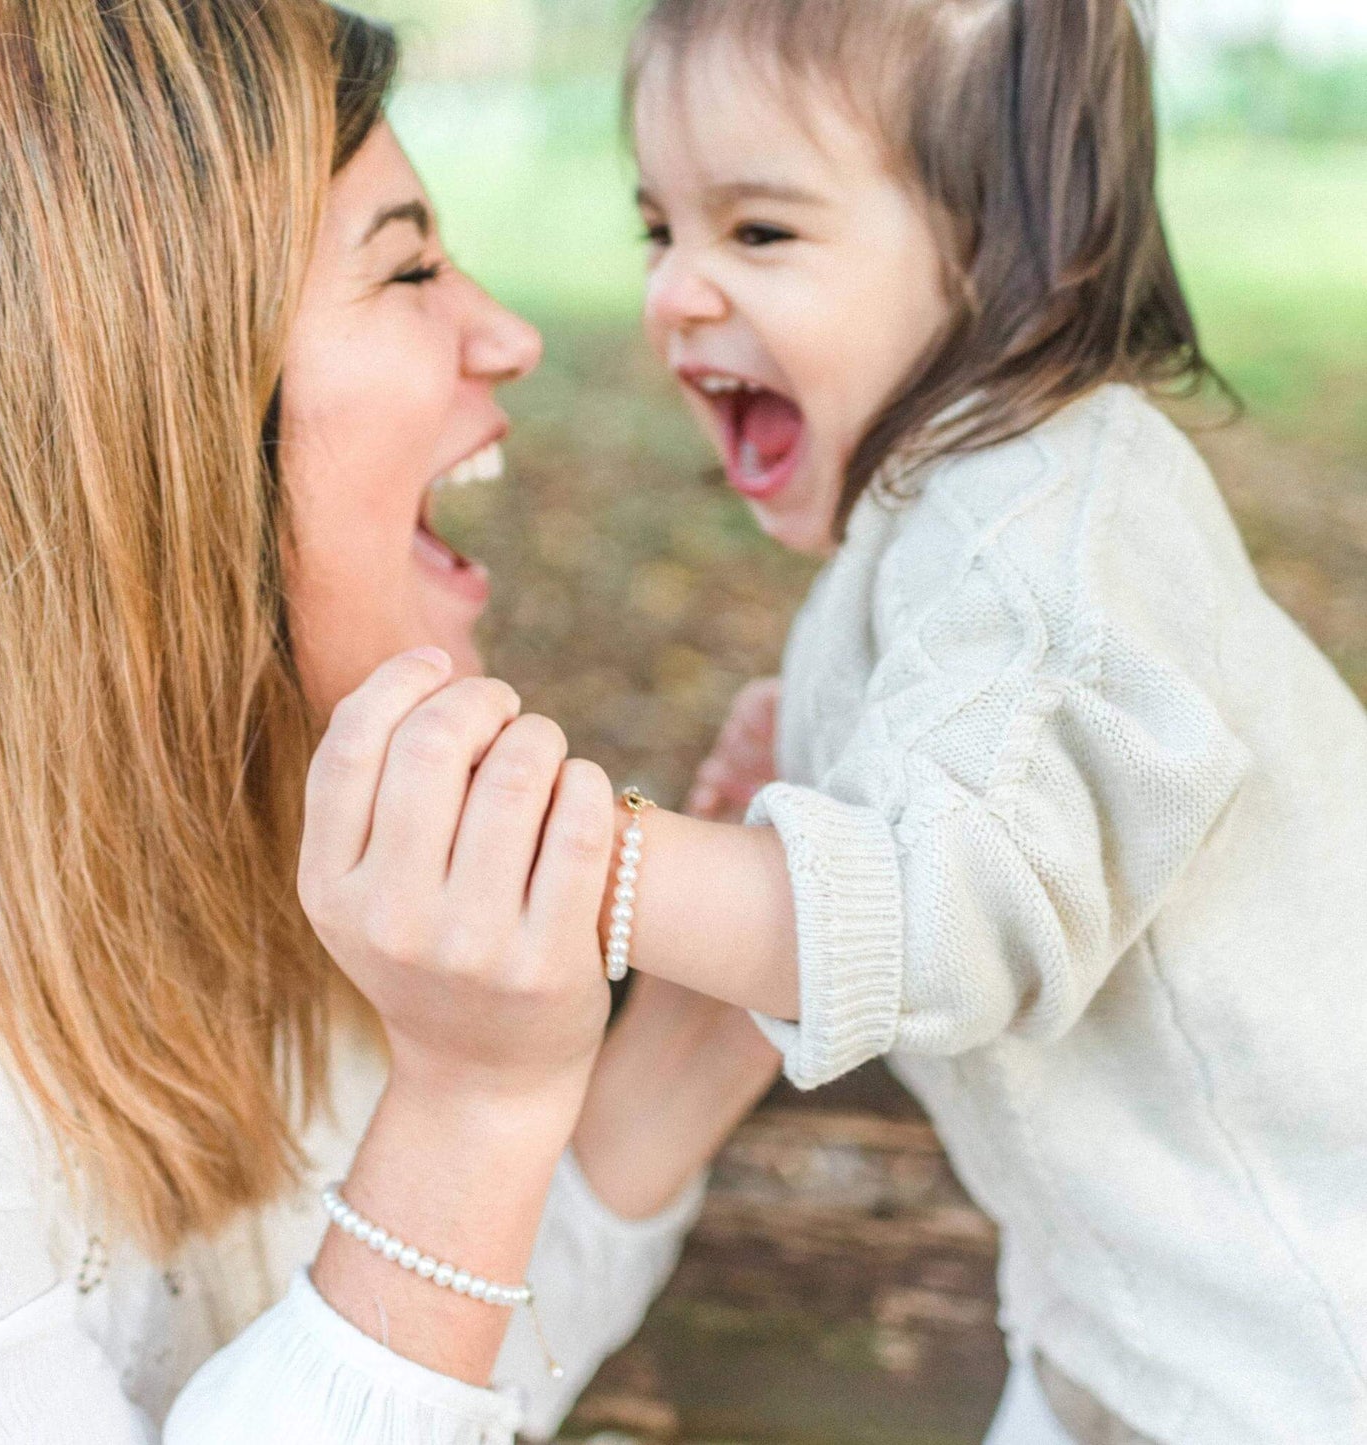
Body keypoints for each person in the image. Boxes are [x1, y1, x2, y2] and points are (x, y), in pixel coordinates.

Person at [0, 5, 780, 1442]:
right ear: (166, 406)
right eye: (409, 266)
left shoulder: (263, 824)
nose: (504, 333)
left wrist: (694, 1025)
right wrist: (472, 1105)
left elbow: (428, 1358)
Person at [511, 0, 1363, 1440]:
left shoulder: (1052, 532)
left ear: (1004, 258)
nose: (673, 293)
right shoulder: (943, 519)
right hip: (1138, 1323)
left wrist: (594, 860)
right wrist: (802, 786)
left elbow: (939, 917)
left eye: (758, 232)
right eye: (661, 229)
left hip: (1303, 1338)